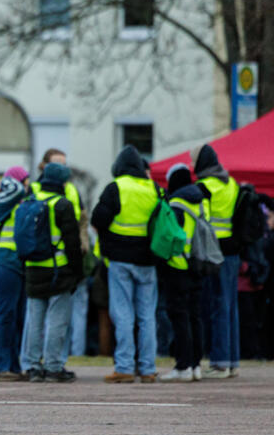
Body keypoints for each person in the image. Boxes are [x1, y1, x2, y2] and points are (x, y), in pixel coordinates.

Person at [91, 145, 159, 383]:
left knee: (122, 313)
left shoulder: (115, 188)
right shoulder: (154, 189)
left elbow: (98, 219)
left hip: (120, 260)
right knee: (147, 315)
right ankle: (148, 368)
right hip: (148, 261)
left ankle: (124, 367)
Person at [19, 163, 83, 382]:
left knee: (34, 320)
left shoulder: (30, 201)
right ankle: (54, 367)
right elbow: (73, 243)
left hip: (33, 268)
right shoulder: (62, 205)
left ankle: (33, 366)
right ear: (61, 182)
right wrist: (77, 272)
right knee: (57, 320)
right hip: (58, 270)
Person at [194, 144, 241, 378]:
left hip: (214, 252)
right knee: (231, 307)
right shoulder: (230, 183)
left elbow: (200, 221)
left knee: (217, 306)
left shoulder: (203, 186)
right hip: (233, 250)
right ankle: (232, 361)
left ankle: (220, 362)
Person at [158, 164, 207, 381]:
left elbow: (170, 236)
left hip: (178, 266)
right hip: (199, 265)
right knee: (196, 315)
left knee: (179, 316)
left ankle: (183, 365)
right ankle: (196, 364)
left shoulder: (176, 203)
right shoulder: (202, 202)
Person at [0, 167, 29, 381]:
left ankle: (11, 365)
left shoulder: (12, 198)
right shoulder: (2, 197)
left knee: (13, 317)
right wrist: (9, 182)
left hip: (13, 263)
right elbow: (17, 189)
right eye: (26, 180)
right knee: (2, 316)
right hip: (4, 261)